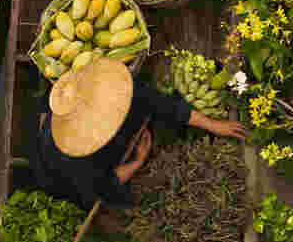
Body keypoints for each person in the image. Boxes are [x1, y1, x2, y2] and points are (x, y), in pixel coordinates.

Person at [31, 58, 247, 211]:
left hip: (58, 136)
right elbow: (106, 184)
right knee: (102, 196)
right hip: (62, 177)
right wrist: (138, 160)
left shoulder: (99, 87)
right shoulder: (76, 159)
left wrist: (213, 125)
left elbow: (161, 104)